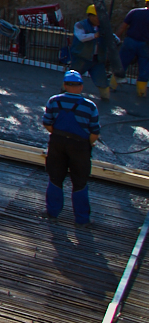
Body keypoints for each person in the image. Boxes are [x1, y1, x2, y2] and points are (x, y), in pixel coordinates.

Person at [44, 68, 101, 225]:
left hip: (57, 143)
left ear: (64, 85)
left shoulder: (54, 101)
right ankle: (82, 219)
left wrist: (59, 135)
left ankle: (52, 213)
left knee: (55, 178)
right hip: (80, 146)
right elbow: (95, 132)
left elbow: (47, 123)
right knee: (80, 182)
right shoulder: (90, 106)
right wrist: (87, 143)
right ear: (81, 86)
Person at [70, 4, 113, 100]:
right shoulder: (80, 25)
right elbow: (81, 37)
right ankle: (64, 93)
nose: (99, 19)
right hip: (81, 57)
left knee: (102, 81)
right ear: (90, 16)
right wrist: (95, 35)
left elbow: (112, 36)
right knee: (72, 78)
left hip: (97, 59)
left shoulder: (103, 27)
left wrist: (114, 39)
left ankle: (105, 97)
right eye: (97, 17)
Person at [118, 0, 149, 98]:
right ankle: (141, 92)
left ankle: (113, 85)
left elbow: (123, 26)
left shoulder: (135, 12)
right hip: (145, 44)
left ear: (146, 3)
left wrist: (116, 38)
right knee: (144, 67)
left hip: (130, 41)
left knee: (121, 63)